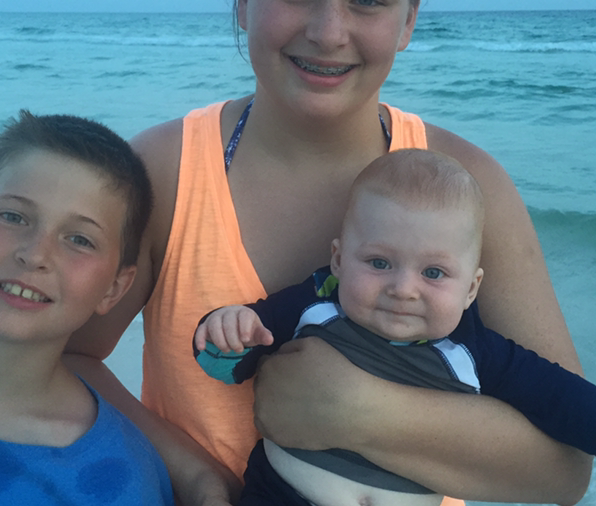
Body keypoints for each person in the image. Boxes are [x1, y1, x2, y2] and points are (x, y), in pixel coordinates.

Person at [65, 0, 592, 506]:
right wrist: (194, 474)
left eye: (367, 0)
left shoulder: (471, 185)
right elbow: (75, 357)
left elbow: (562, 472)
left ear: (408, 19)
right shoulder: (166, 170)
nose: (327, 28)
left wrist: (357, 411)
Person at [194, 149, 596, 505]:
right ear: (338, 260)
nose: (403, 290)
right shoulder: (316, 304)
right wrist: (227, 331)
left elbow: (563, 402)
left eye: (433, 273)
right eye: (380, 263)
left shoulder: (476, 352)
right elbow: (230, 363)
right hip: (280, 495)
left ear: (472, 289)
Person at [0, 110, 175, 505]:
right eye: (13, 216)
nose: (35, 254)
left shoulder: (120, 482)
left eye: (79, 239)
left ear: (114, 288)